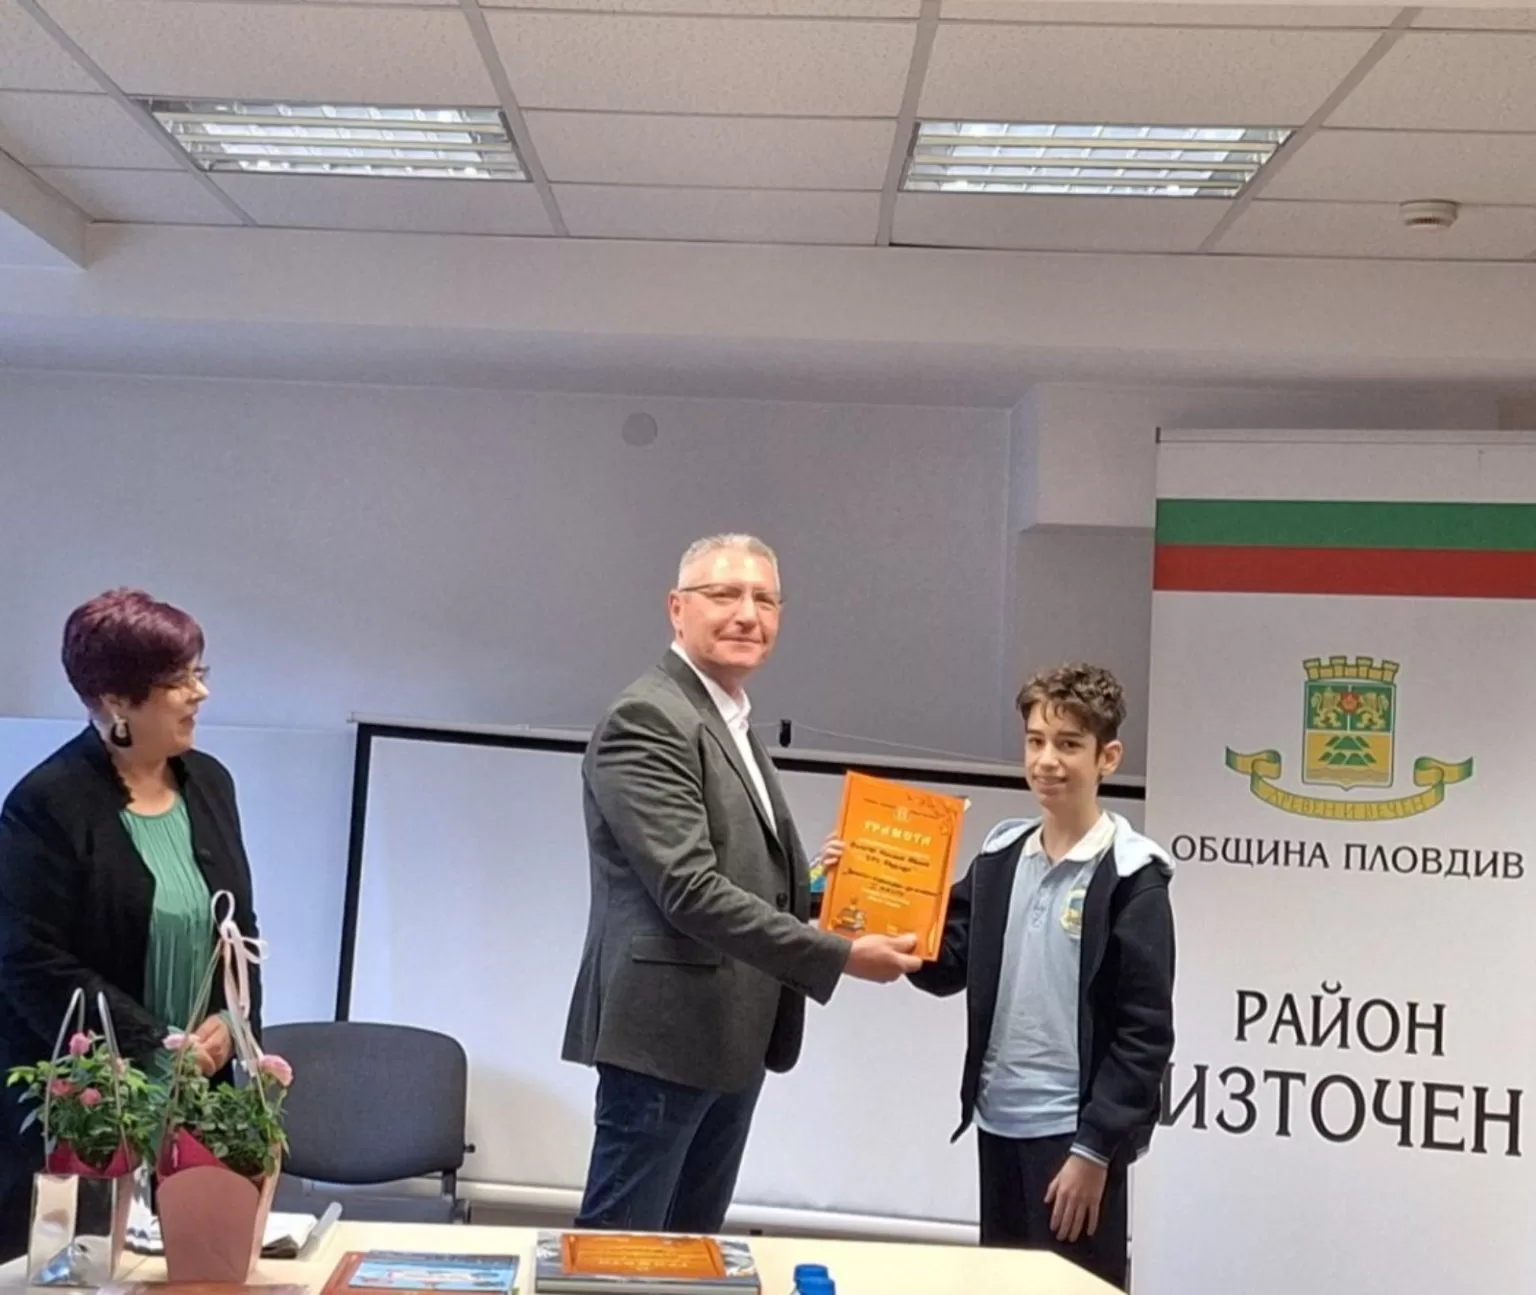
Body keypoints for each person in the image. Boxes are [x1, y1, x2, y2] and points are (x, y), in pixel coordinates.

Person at [562, 533, 921, 1234]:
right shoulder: (650, 717)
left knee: (689, 1251)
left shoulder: (726, 716)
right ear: (677, 608)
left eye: (765, 599)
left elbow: (733, 873)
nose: (747, 614)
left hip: (730, 1036)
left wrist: (822, 889)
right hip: (665, 1038)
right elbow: (689, 889)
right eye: (724, 594)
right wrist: (840, 955)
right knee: (620, 1256)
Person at [0, 589, 263, 1262]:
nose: (200, 693)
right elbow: (27, 960)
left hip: (197, 1103)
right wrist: (155, 1042)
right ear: (116, 700)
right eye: (178, 680)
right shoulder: (46, 803)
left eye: (199, 672)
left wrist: (230, 1023)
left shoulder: (210, 783)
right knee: (87, 1272)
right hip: (87, 1121)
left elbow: (239, 933)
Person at [907, 664, 1174, 1290]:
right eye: (1035, 741)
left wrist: (1095, 1149)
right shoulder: (1001, 858)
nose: (1046, 761)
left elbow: (1145, 1034)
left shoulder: (1132, 878)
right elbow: (945, 961)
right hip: (998, 1122)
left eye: (1069, 744)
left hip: (1073, 1139)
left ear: (1108, 757)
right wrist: (855, 898)